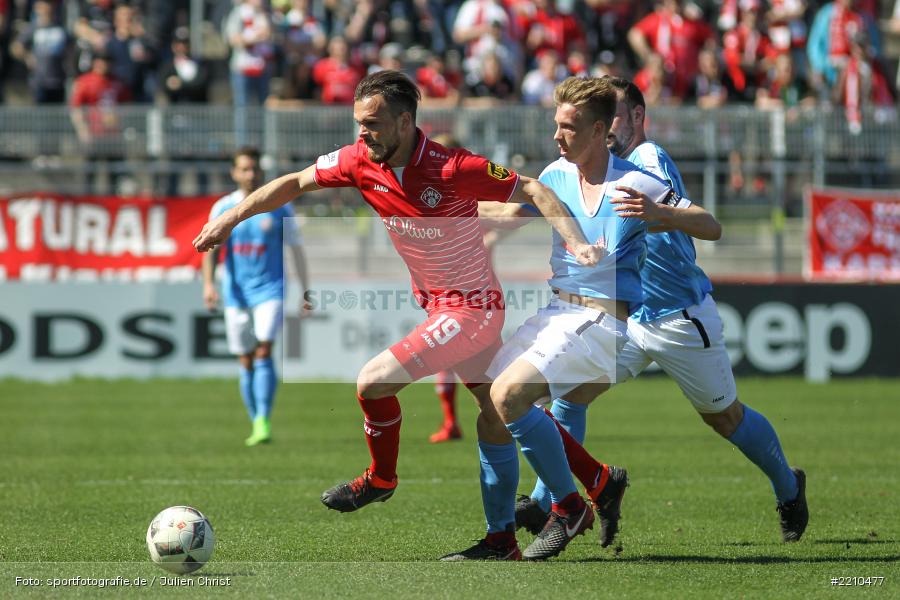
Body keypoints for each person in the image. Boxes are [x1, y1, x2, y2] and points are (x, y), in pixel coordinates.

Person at [193, 71, 605, 561]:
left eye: (372, 123)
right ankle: (531, 523)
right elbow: (294, 183)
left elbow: (534, 190)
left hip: (472, 309)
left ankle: (381, 479)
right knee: (497, 417)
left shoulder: (452, 167)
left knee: (373, 381)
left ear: (405, 121)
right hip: (439, 304)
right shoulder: (357, 160)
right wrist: (229, 217)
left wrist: (577, 244)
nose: (361, 133)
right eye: (357, 123)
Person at [519, 76, 809, 543]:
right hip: (624, 318)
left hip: (675, 314)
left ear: (636, 117)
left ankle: (789, 485)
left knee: (724, 417)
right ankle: (544, 504)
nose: (605, 127)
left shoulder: (647, 161)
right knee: (569, 396)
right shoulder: (587, 169)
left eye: (613, 115)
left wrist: (660, 215)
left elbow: (699, 222)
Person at [480, 76, 674, 558]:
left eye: (568, 127)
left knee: (510, 395)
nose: (557, 136)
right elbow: (506, 216)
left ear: (600, 130)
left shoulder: (637, 181)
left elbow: (707, 224)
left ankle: (570, 508)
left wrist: (667, 214)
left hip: (604, 321)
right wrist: (429, 204)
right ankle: (505, 534)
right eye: (556, 124)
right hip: (558, 311)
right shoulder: (555, 175)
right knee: (491, 402)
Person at [202, 147, 311, 447]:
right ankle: (256, 420)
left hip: (270, 290)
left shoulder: (279, 206)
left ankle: (263, 419)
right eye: (245, 169)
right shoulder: (223, 207)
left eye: (255, 169)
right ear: (234, 173)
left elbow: (296, 250)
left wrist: (305, 289)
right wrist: (208, 285)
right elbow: (211, 250)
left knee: (264, 351)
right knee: (245, 359)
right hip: (236, 293)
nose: (251, 174)